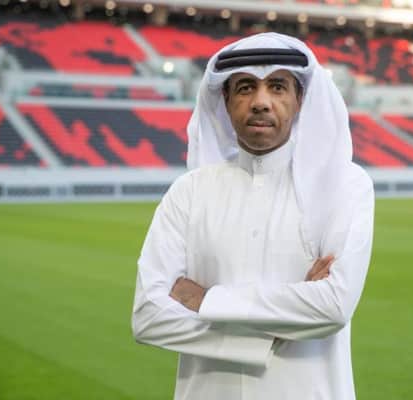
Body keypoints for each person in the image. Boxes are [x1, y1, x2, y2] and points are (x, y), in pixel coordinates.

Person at [132, 32, 374, 400]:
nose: (261, 102)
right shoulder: (189, 192)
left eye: (277, 86)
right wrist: (277, 328)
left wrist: (206, 300)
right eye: (246, 88)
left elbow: (333, 307)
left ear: (300, 100)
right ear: (225, 100)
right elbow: (148, 317)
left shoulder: (344, 185)